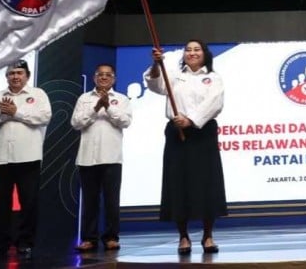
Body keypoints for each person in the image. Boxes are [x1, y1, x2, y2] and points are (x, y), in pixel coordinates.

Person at [144, 40, 227, 255]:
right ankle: (183, 236)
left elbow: (214, 103)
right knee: (178, 184)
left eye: (196, 49)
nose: (192, 53)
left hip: (202, 133)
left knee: (207, 184)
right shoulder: (174, 74)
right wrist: (156, 64)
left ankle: (208, 235)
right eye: (188, 50)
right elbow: (155, 85)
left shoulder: (213, 78)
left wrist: (191, 120)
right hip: (176, 134)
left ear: (205, 54)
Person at [0, 59, 52, 256]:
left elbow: (44, 117)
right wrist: (3, 116)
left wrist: (16, 112)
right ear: (6, 77)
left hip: (28, 157)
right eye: (11, 73)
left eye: (19, 73)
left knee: (28, 203)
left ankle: (25, 242)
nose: (15, 76)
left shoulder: (37, 95)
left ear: (27, 76)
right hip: (1, 157)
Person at [71, 64, 132, 252]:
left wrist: (109, 108)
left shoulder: (121, 99)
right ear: (94, 78)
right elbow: (76, 123)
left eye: (108, 75)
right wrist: (96, 108)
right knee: (90, 200)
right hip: (87, 157)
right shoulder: (84, 98)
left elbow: (125, 121)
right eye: (100, 75)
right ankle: (89, 238)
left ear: (113, 79)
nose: (104, 78)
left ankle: (112, 237)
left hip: (112, 157)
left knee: (111, 200)